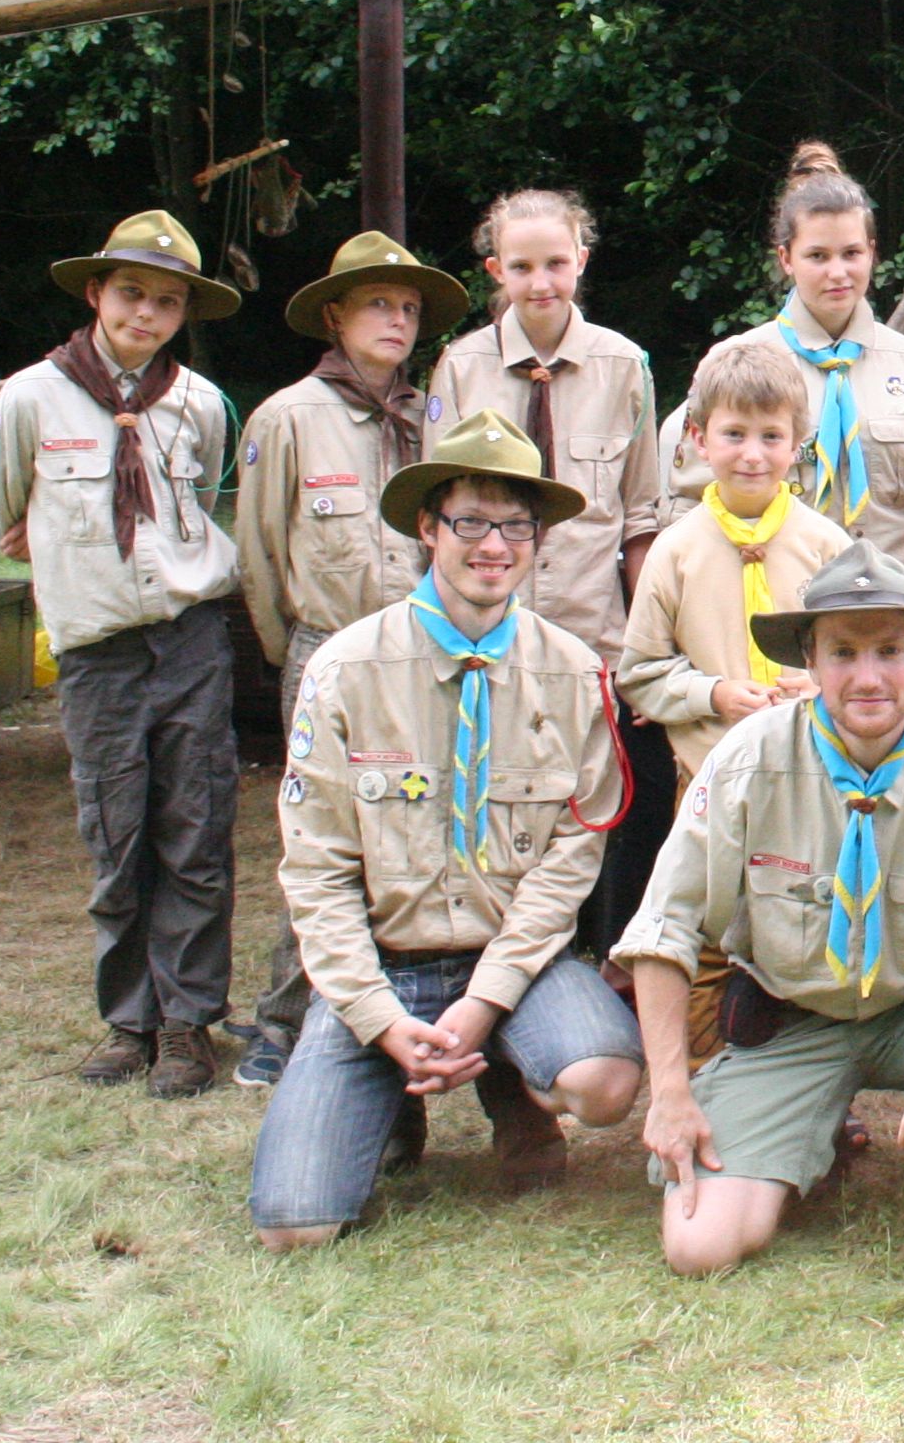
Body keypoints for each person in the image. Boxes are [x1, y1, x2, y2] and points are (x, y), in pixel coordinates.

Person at [617, 539, 904, 1275]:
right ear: (809, 659)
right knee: (699, 1250)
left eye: (890, 651)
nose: (867, 677)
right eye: (842, 652)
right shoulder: (747, 761)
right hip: (792, 1018)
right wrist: (670, 1094)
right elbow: (665, 927)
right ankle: (809, 1130)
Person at [247, 412, 644, 1245]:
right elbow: (315, 871)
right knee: (296, 1230)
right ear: (428, 528)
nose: (493, 546)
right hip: (386, 968)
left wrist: (485, 1000)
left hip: (515, 963)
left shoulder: (572, 674)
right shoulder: (346, 671)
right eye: (470, 521)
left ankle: (515, 1095)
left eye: (515, 525)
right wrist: (376, 1017)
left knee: (604, 1082)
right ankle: (386, 1092)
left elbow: (574, 861)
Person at [0, 209, 245, 1100]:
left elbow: (202, 498)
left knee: (195, 829)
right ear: (96, 293)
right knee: (116, 827)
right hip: (97, 649)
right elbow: (3, 519)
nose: (147, 314)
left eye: (168, 302)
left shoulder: (199, 407)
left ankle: (186, 1023)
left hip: (189, 638)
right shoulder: (30, 398)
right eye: (131, 293)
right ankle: (128, 1019)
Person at [232, 229, 473, 1088]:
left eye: (409, 309)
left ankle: (411, 1003)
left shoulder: (435, 419)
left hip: (427, 657)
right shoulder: (287, 419)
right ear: (334, 315)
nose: (397, 321)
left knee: (419, 827)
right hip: (328, 655)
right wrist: (292, 657)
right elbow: (258, 557)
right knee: (325, 838)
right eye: (378, 303)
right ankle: (284, 1018)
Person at [430, 187, 668, 955]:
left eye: (557, 264)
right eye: (522, 267)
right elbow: (436, 519)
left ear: (582, 262)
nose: (541, 283)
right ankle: (499, 954)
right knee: (505, 805)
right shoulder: (460, 368)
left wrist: (644, 647)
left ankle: (606, 957)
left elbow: (639, 515)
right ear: (496, 269)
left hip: (593, 641)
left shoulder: (624, 365)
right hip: (489, 641)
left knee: (601, 803)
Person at [676, 145, 904, 574]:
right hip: (786, 594)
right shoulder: (734, 365)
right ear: (786, 259)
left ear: (872, 252)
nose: (838, 273)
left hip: (901, 592)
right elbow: (690, 503)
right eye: (817, 256)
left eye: (851, 254)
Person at [619, 338, 854, 785]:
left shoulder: (829, 547)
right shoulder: (674, 551)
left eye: (771, 436)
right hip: (709, 779)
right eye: (734, 434)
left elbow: (861, 654)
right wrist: (713, 694)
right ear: (699, 438)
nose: (752, 454)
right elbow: (640, 672)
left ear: (797, 444)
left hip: (820, 775)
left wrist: (823, 688)